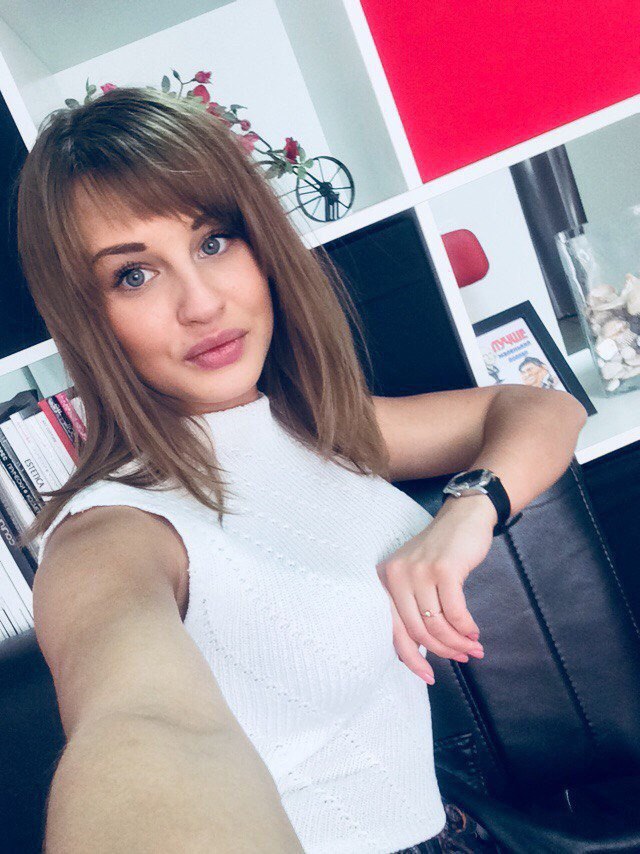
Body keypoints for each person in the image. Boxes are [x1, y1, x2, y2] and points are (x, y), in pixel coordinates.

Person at [15, 87, 587, 854]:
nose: (201, 304)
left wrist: (468, 510)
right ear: (86, 317)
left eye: (213, 241)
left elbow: (542, 409)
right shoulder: (111, 531)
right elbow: (139, 726)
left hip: (457, 828)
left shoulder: (315, 429)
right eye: (134, 276)